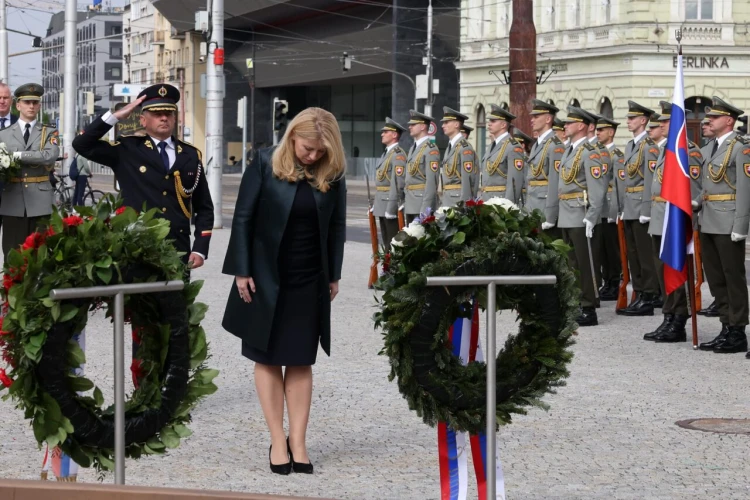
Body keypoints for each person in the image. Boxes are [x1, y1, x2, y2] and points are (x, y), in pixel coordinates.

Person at [222, 107, 347, 474]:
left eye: (320, 151)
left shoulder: (333, 171)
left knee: (300, 358)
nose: (313, 156)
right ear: (292, 137)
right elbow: (243, 217)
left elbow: (337, 226)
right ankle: (278, 439)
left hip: (310, 277)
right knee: (267, 356)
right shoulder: (264, 162)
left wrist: (334, 275)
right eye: (308, 148)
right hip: (264, 276)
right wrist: (241, 270)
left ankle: (299, 442)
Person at [73, 83, 213, 268]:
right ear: (143, 120)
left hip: (177, 244)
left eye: (168, 113)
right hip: (136, 242)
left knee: (176, 295)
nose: (164, 118)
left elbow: (204, 206)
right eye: (157, 114)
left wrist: (200, 248)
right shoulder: (127, 149)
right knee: (136, 295)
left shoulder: (190, 154)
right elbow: (82, 144)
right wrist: (115, 116)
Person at [643, 102, 703, 343]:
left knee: (676, 270)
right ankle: (668, 316)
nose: (661, 125)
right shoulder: (665, 148)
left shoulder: (689, 151)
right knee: (662, 272)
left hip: (675, 218)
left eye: (666, 122)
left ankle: (678, 321)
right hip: (660, 217)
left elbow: (694, 192)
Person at [695, 97, 750, 356]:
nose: (708, 121)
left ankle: (737, 331)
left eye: (714, 117)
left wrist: (741, 225)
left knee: (733, 278)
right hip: (707, 219)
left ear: (729, 120)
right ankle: (726, 326)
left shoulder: (741, 147)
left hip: (728, 220)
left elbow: (744, 190)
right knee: (716, 279)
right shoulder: (709, 148)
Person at [558, 107, 606, 326]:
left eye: (570, 123)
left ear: (581, 126)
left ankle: (589, 307)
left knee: (585, 264)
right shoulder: (569, 150)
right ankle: (576, 302)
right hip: (566, 212)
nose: (565, 126)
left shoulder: (590, 152)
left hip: (580, 212)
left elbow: (597, 188)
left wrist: (592, 216)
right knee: (572, 262)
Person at [0, 83, 59, 258]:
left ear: (39, 105)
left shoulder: (48, 131)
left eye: (35, 102)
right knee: (13, 253)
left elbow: (49, 156)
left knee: (40, 253)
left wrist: (17, 155)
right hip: (12, 200)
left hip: (40, 200)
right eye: (27, 102)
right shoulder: (3, 134)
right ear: (18, 105)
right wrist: (34, 155)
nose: (31, 106)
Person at [617, 100, 660, 316]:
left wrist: (646, 210)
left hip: (641, 207)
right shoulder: (630, 145)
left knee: (645, 254)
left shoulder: (649, 147)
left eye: (632, 118)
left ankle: (649, 296)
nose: (628, 121)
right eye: (628, 118)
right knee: (633, 254)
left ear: (643, 120)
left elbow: (650, 181)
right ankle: (640, 292)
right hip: (630, 207)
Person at [595, 116, 624, 301]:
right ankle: (606, 280)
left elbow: (618, 186)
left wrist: (615, 210)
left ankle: (614, 282)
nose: (597, 133)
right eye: (597, 130)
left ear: (611, 132)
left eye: (601, 130)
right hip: (599, 207)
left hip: (610, 206)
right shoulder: (596, 154)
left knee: (612, 249)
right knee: (602, 249)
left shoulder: (617, 156)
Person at [528, 99, 564, 236]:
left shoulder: (555, 145)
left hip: (545, 207)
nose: (532, 120)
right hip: (533, 205)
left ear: (548, 118)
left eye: (536, 117)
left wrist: (551, 215)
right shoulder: (538, 144)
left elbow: (555, 182)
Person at [371, 117, 407, 249]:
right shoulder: (387, 153)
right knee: (386, 242)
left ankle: (392, 269)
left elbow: (398, 184)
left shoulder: (398, 155)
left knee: (393, 244)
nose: (382, 134)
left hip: (389, 204)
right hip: (382, 203)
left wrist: (391, 208)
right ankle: (388, 268)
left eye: (385, 132)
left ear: (394, 134)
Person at [480, 104, 524, 204]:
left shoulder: (512, 146)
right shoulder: (493, 145)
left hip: (501, 202)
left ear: (503, 125)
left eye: (493, 121)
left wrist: (508, 206)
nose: (489, 124)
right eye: (489, 121)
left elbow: (514, 182)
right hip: (487, 200)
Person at [404, 110, 439, 223]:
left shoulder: (430, 149)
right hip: (410, 203)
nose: (410, 127)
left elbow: (431, 182)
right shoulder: (412, 148)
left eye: (413, 124)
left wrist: (425, 210)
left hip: (421, 204)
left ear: (423, 126)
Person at [440, 107, 478, 206]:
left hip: (458, 201)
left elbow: (467, 179)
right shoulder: (450, 147)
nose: (443, 125)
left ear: (456, 124)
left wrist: (465, 204)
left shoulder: (464, 148)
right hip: (447, 199)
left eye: (447, 122)